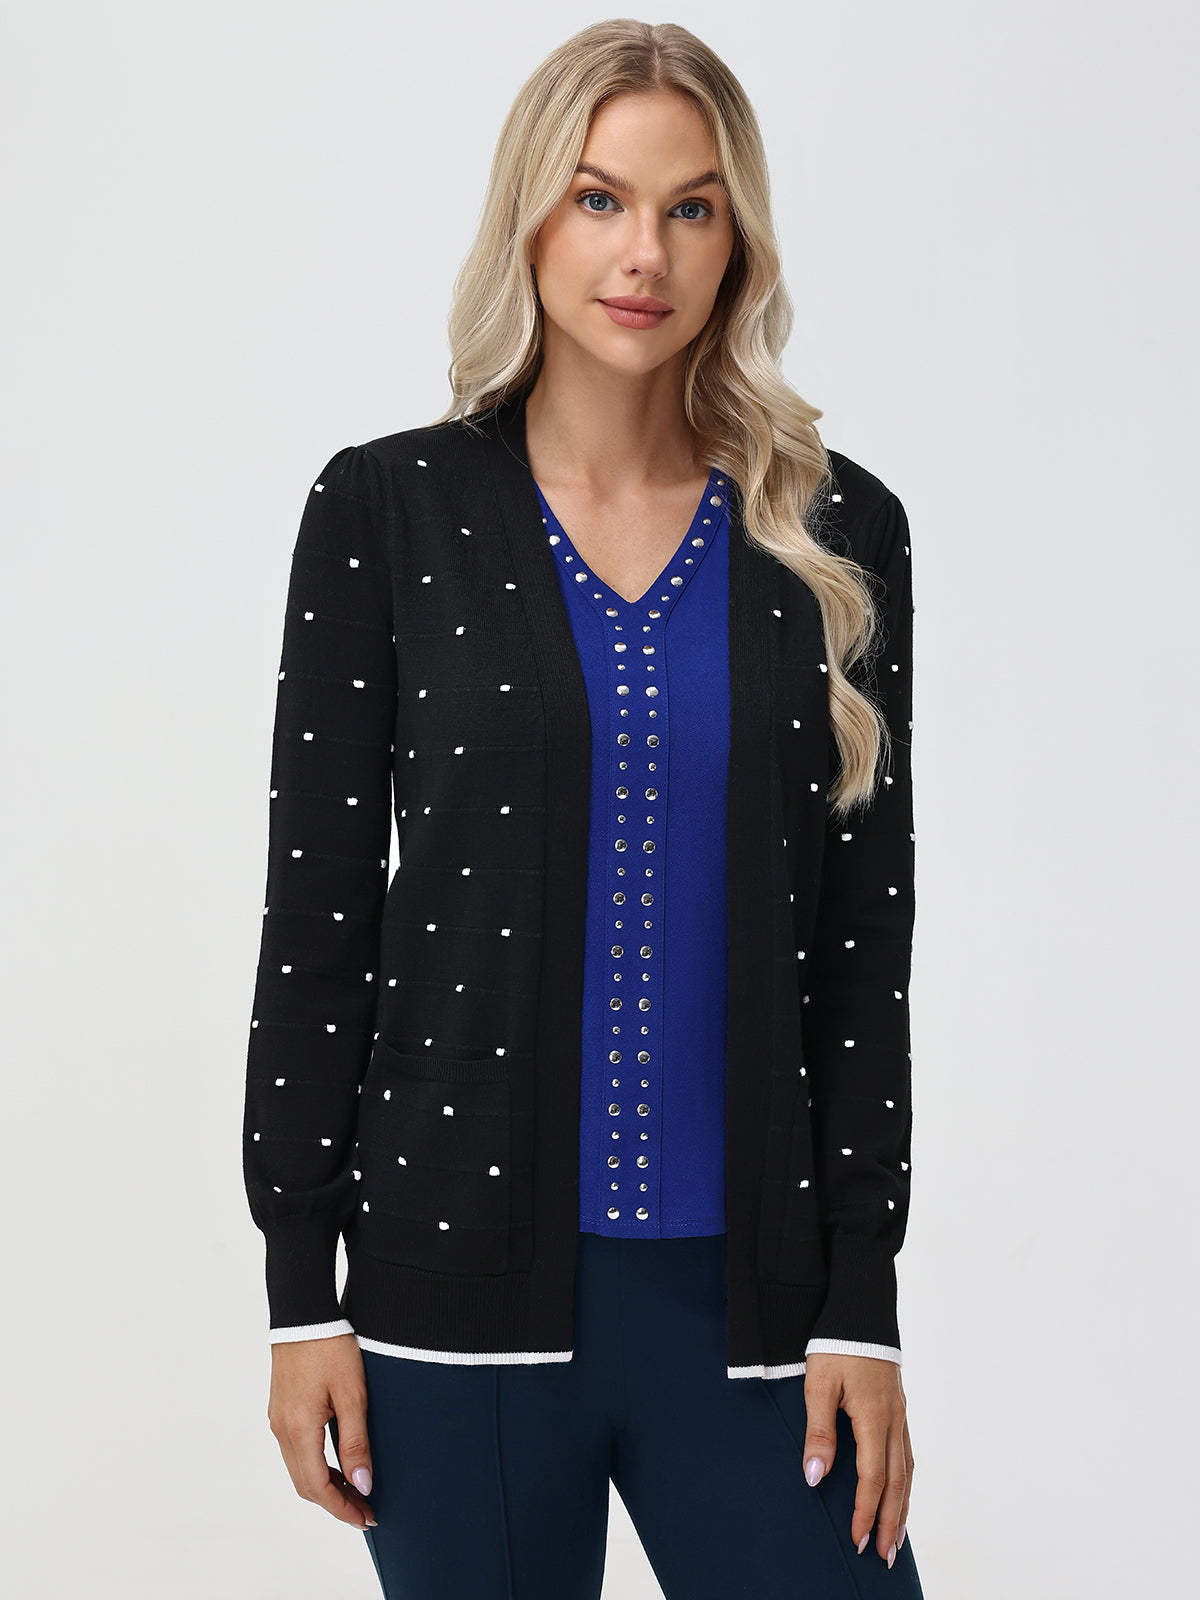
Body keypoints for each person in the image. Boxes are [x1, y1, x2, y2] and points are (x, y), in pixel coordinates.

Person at [243, 18, 925, 1599]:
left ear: (738, 242)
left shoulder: (835, 533)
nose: (645, 255)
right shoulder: (387, 510)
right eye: (601, 199)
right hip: (448, 1307)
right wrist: (300, 1292)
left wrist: (862, 1299)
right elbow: (321, 922)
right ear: (531, 218)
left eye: (693, 208)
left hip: (759, 1317)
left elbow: (860, 954)